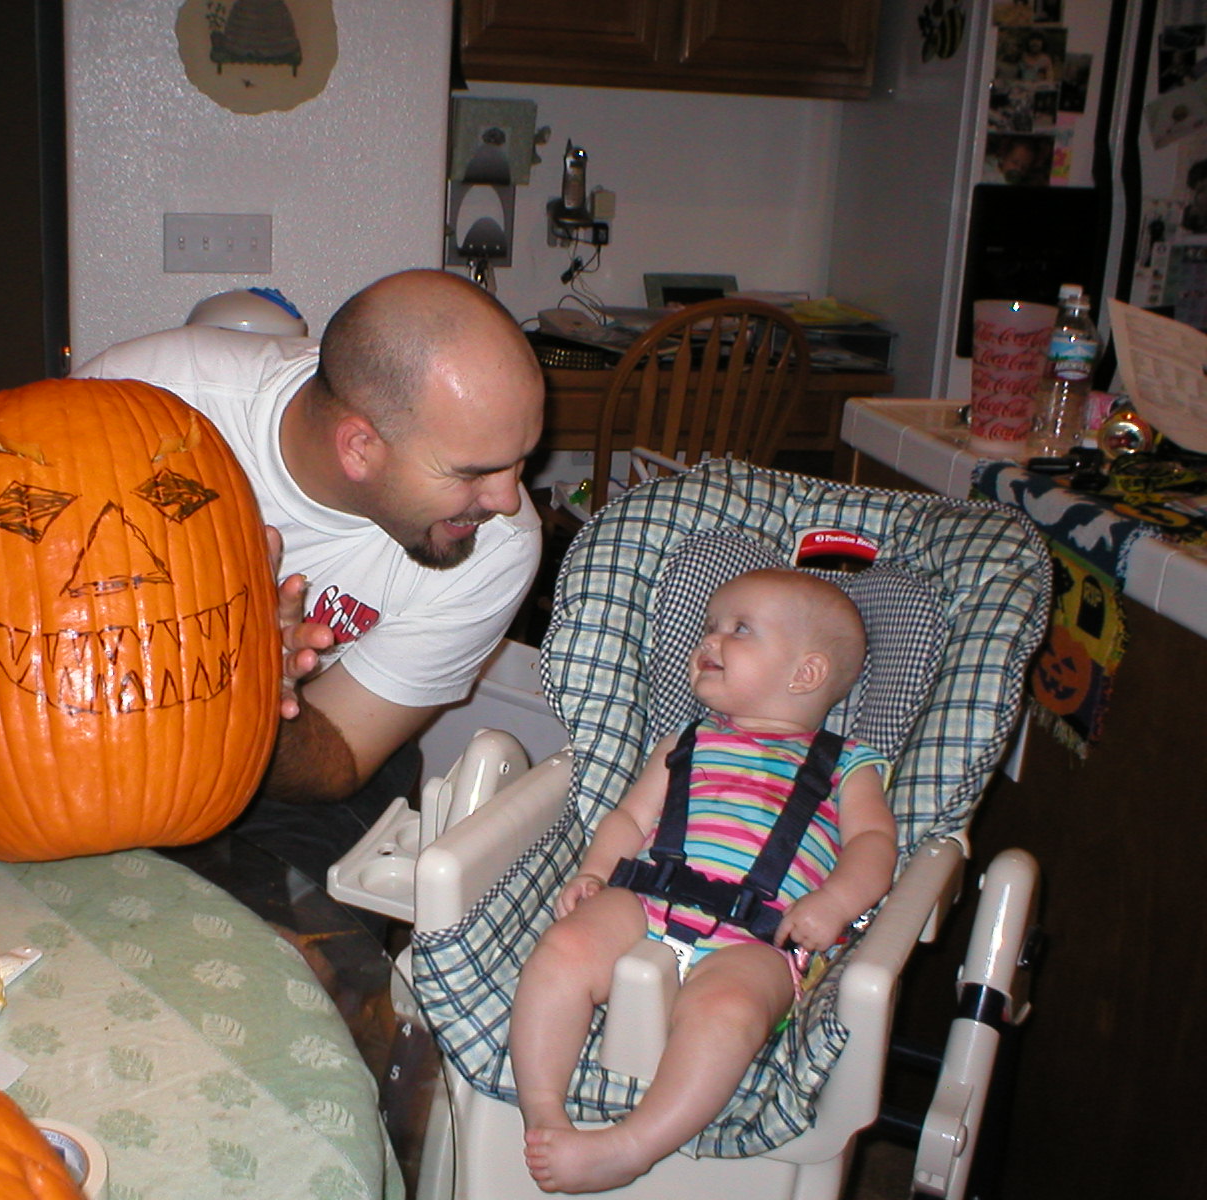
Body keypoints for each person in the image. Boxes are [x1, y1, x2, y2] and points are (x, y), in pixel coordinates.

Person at [75, 269, 544, 892]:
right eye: (474, 471)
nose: (509, 500)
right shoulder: (139, 403)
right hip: (82, 720)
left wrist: (247, 701)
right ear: (357, 447)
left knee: (291, 956)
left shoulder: (498, 548)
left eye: (521, 461)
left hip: (295, 756)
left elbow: (340, 758)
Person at [508, 568, 897, 1193]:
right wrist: (594, 872)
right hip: (649, 898)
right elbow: (631, 818)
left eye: (739, 630)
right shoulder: (684, 743)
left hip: (761, 937)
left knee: (730, 1014)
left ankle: (634, 1145)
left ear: (805, 674)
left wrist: (836, 904)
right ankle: (544, 1111)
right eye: (710, 626)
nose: (710, 640)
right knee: (563, 949)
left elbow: (876, 846)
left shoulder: (848, 764)